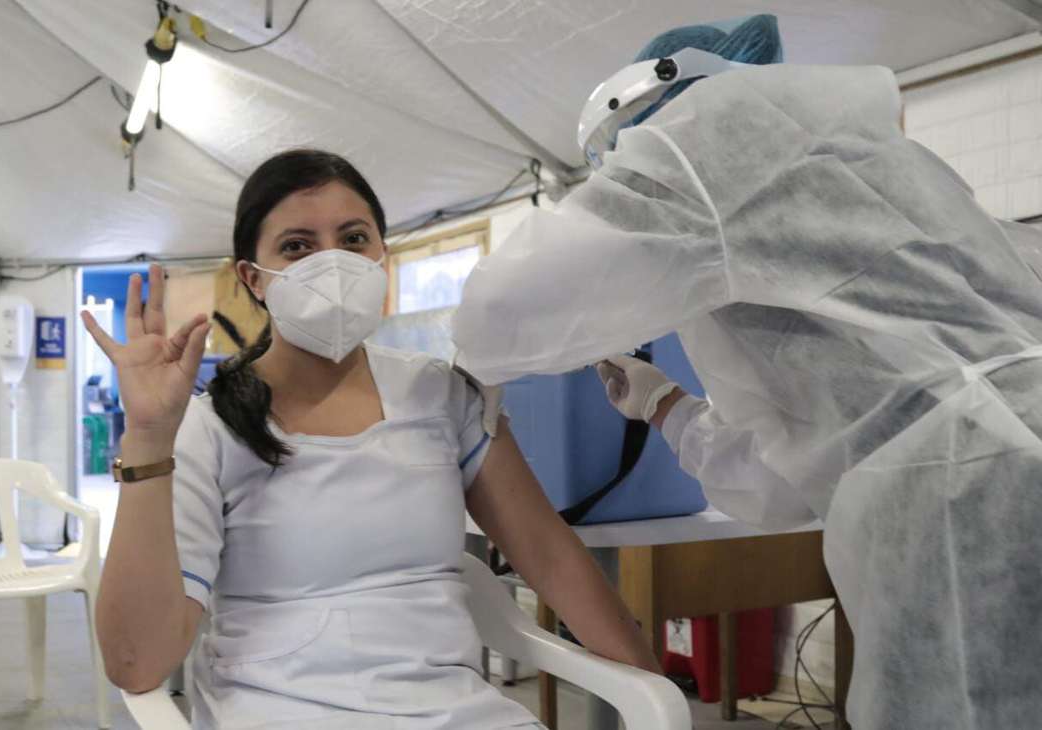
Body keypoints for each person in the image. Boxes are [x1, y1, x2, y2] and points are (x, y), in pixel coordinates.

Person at [452, 14, 1042, 730]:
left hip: (972, 500)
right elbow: (783, 479)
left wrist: (483, 367)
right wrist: (665, 405)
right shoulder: (878, 179)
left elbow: (499, 309)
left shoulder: (718, 135)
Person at [83, 149, 660, 729]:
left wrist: (650, 687)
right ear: (252, 279)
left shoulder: (442, 396)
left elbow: (550, 556)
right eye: (297, 246)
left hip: (457, 714)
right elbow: (137, 663)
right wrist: (150, 437)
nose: (331, 262)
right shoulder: (208, 429)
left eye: (354, 238)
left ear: (382, 256)